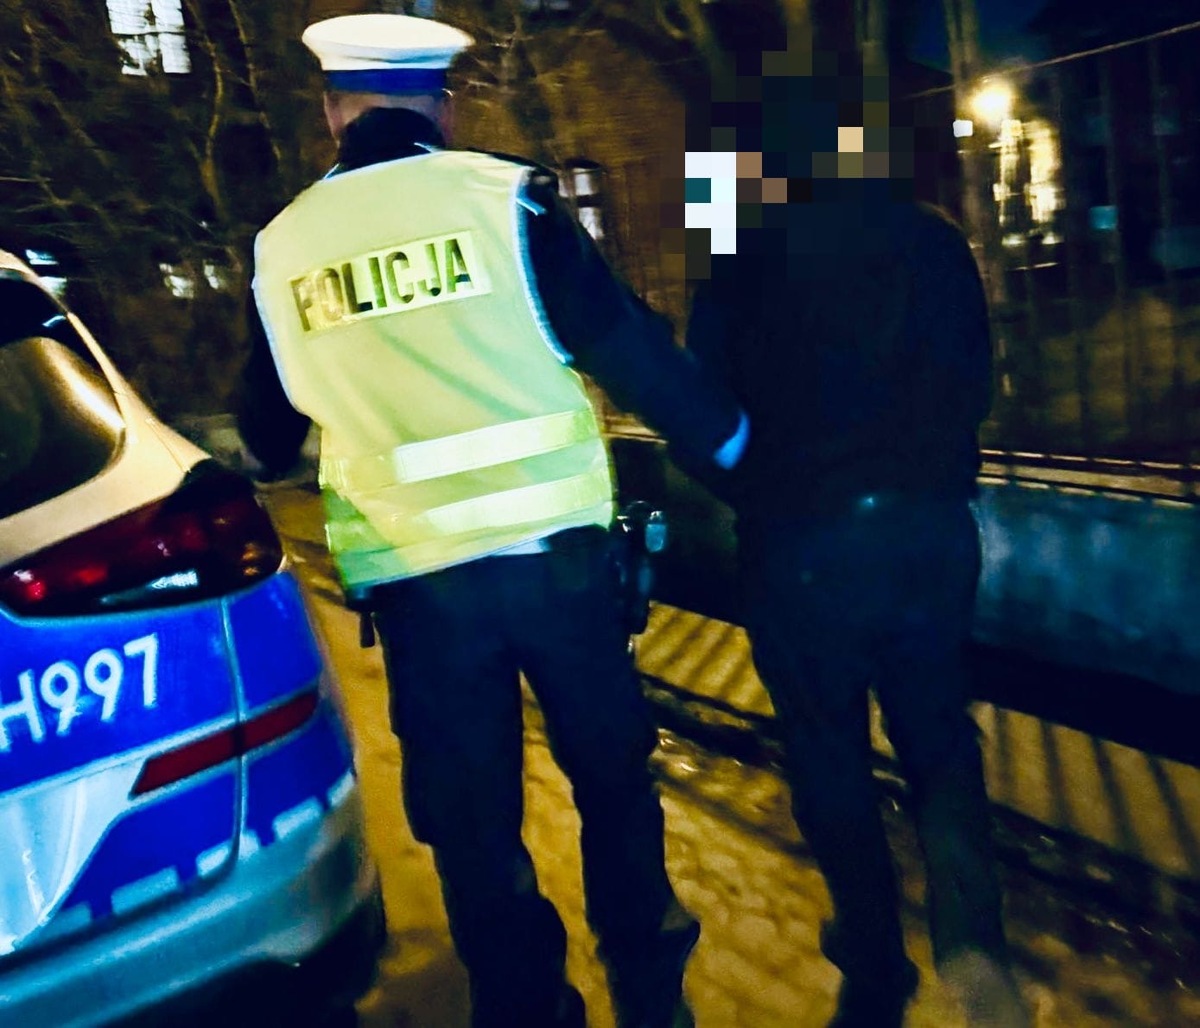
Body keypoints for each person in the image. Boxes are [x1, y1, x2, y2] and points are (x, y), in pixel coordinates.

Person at [236, 14, 749, 1028]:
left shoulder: (282, 248)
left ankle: (526, 1005)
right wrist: (734, 448)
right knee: (612, 781)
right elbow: (627, 347)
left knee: (473, 825)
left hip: (421, 592)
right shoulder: (507, 200)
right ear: (442, 104)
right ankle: (651, 993)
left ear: (333, 112)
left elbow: (264, 435)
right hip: (561, 570)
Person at [682, 67, 1030, 1028]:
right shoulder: (930, 239)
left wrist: (757, 490)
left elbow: (700, 416)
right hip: (924, 534)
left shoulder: (739, 261)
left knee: (827, 751)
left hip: (801, 551)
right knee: (939, 738)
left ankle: (874, 964)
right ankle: (974, 946)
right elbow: (974, 384)